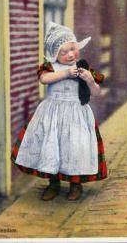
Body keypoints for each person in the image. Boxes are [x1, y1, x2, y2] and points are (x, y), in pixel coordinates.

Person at [11, 22, 107, 201]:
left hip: (76, 114)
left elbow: (97, 92)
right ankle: (53, 183)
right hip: (53, 113)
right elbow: (44, 79)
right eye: (64, 52)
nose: (71, 54)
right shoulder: (50, 67)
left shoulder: (83, 66)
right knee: (53, 146)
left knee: (74, 148)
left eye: (73, 49)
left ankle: (75, 185)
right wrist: (66, 73)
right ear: (55, 54)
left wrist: (90, 81)